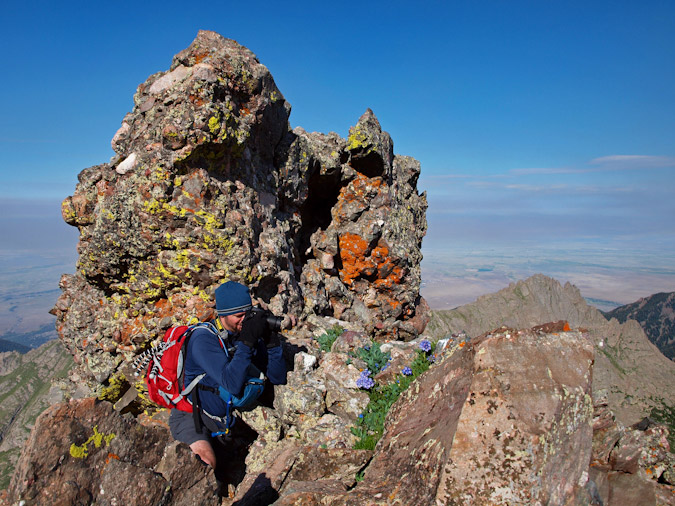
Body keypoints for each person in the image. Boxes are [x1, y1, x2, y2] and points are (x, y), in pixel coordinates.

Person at [168, 280, 287, 470]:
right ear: (222, 315)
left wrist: (271, 342)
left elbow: (277, 378)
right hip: (194, 416)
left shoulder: (243, 332)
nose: (244, 320)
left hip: (229, 417)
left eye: (247, 314)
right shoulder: (203, 340)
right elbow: (232, 383)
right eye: (238, 315)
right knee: (204, 464)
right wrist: (247, 342)